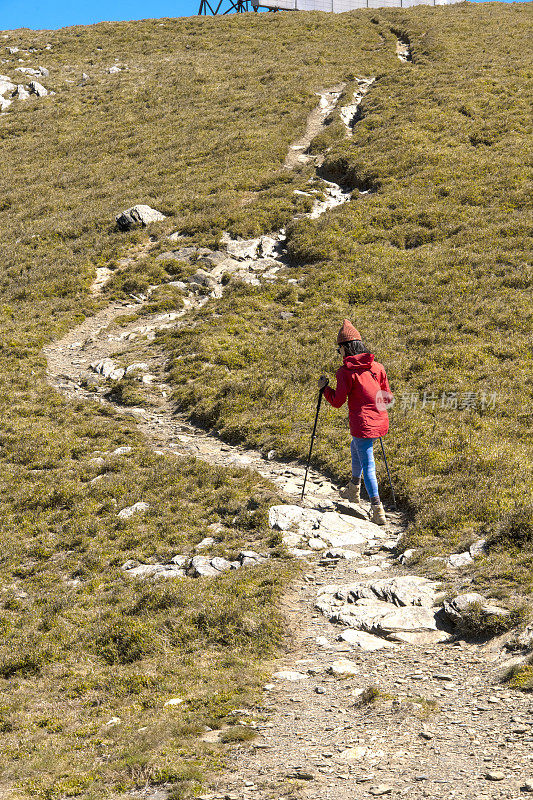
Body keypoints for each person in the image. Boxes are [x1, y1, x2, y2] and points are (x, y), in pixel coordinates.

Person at [318, 319, 393, 526]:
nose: (339, 353)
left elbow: (337, 402)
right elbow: (387, 397)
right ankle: (353, 488)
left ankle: (377, 509)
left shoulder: (345, 372)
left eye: (339, 349)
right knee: (357, 448)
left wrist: (325, 388)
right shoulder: (377, 367)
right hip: (380, 419)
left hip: (362, 423)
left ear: (346, 348)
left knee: (368, 463)